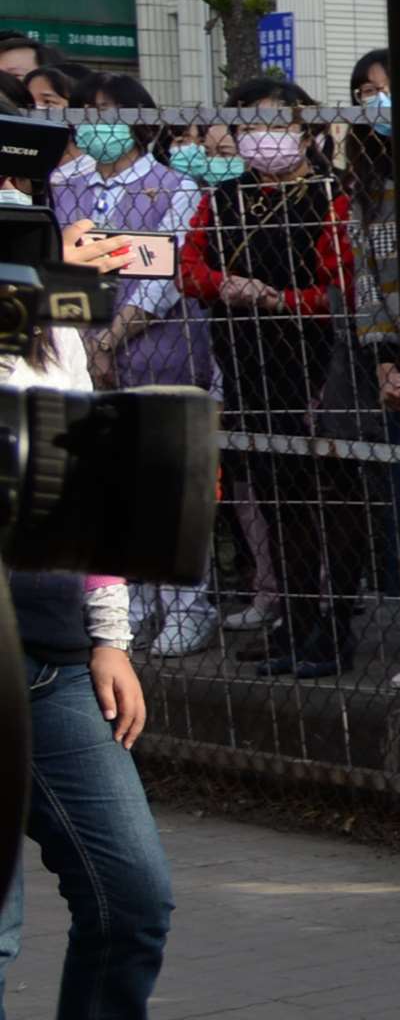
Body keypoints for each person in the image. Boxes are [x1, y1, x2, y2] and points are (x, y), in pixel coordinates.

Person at [0, 279, 232, 1020]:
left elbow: (88, 480)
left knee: (132, 889)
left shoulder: (42, 329)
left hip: (53, 662)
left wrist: (110, 635)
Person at [177, 76, 365, 679]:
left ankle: (333, 626)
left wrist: (285, 300)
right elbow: (189, 265)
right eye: (251, 127)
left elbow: (342, 287)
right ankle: (295, 620)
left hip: (314, 361)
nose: (264, 138)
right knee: (274, 494)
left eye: (278, 125)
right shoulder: (225, 196)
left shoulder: (332, 195)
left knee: (324, 493)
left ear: (309, 132)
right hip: (243, 359)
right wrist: (226, 286)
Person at [59, 77, 212, 662]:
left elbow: (161, 273)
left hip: (159, 349)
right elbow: (61, 261)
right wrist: (83, 342)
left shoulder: (175, 186)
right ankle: (134, 605)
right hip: (84, 345)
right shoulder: (65, 184)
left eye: (109, 111)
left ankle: (186, 606)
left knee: (166, 478)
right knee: (111, 482)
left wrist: (113, 337)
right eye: (88, 111)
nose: (97, 122)